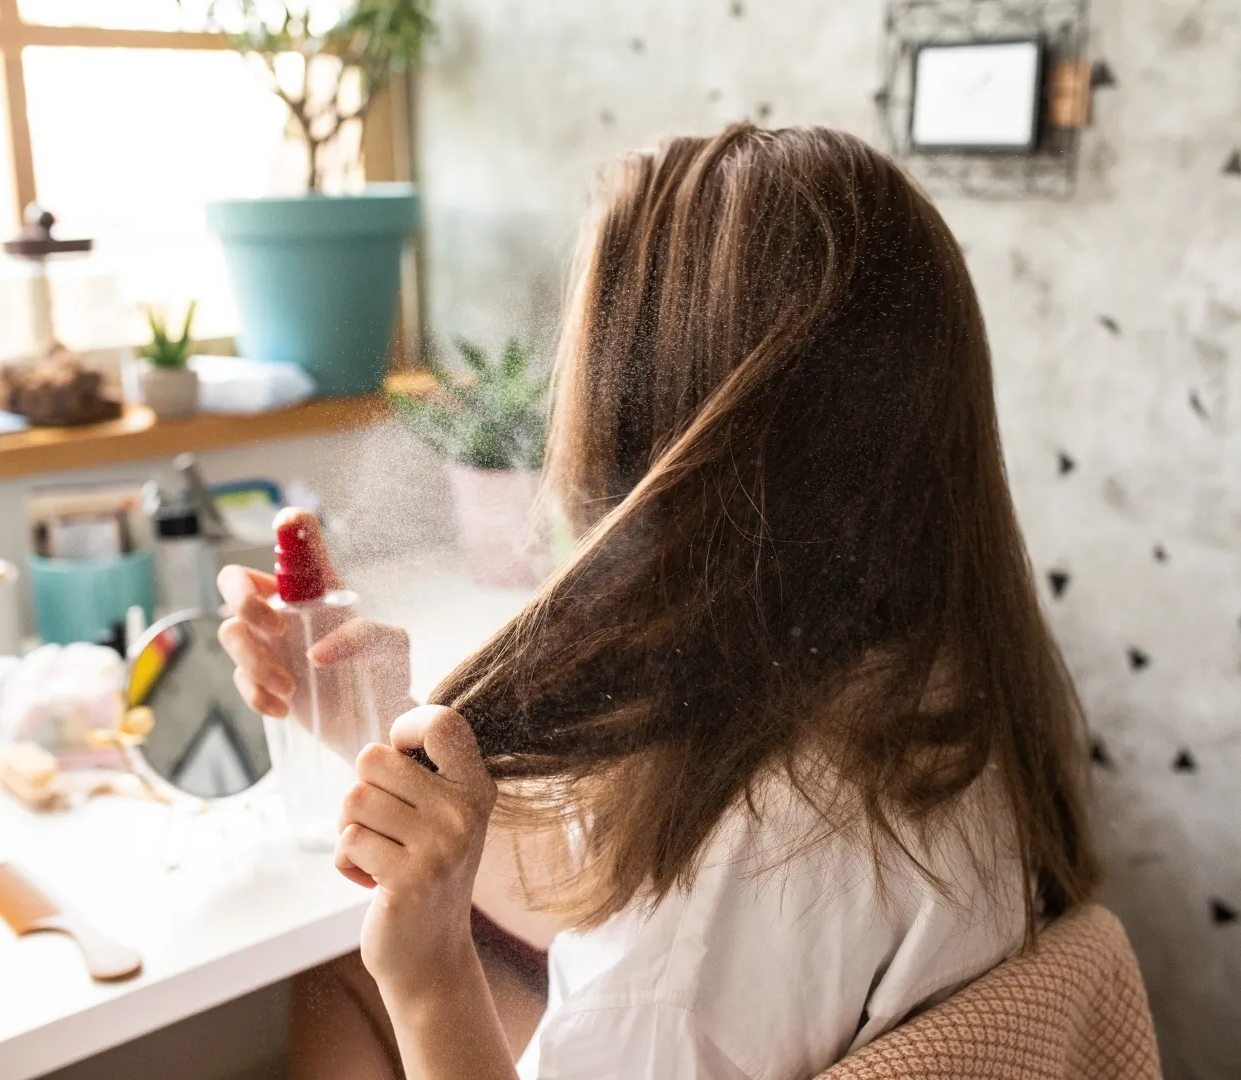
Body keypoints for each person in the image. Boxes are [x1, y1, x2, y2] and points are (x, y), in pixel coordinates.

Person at [217, 123, 1101, 1080]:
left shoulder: (710, 920)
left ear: (660, 428)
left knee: (358, 980)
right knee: (337, 983)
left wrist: (428, 974)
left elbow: (662, 941)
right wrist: (373, 732)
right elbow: (610, 874)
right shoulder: (924, 687)